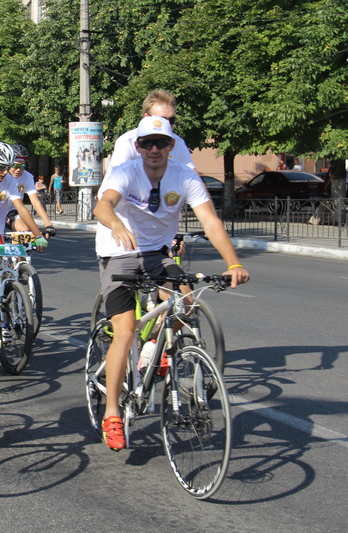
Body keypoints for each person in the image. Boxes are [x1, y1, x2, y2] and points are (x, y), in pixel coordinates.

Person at [93, 117, 249, 450]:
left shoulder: (185, 176)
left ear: (170, 146)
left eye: (160, 143)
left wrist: (232, 263)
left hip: (155, 253)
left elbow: (210, 221)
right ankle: (112, 415)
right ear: (138, 146)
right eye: (147, 143)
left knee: (185, 302)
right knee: (125, 331)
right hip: (117, 252)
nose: (153, 149)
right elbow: (103, 205)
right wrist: (117, 224)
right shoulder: (126, 171)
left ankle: (156, 349)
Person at [106, 90, 195, 176]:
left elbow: (193, 177)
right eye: (162, 119)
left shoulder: (178, 142)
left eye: (171, 120)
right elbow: (119, 180)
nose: (167, 124)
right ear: (146, 117)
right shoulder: (127, 141)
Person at [6, 145, 55, 238]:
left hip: (12, 211)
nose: (18, 170)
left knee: (25, 230)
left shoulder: (27, 176)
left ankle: (17, 252)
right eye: (15, 165)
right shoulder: (1, 176)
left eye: (22, 166)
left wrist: (48, 224)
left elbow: (35, 201)